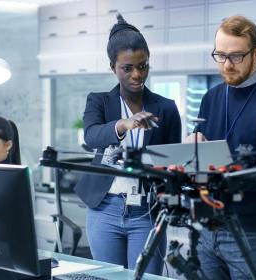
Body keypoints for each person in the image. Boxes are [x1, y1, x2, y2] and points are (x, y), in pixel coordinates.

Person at [185, 15, 256, 280]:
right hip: (206, 228)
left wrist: (223, 170)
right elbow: (199, 159)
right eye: (220, 55)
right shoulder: (211, 97)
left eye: (236, 56)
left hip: (251, 232)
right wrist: (193, 149)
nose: (227, 65)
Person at [75, 14, 182, 275]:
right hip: (105, 209)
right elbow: (92, 135)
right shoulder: (98, 101)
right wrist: (125, 124)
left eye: (143, 66)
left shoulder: (166, 108)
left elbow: (171, 162)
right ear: (113, 67)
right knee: (107, 277)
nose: (137, 74)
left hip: (147, 211)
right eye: (128, 68)